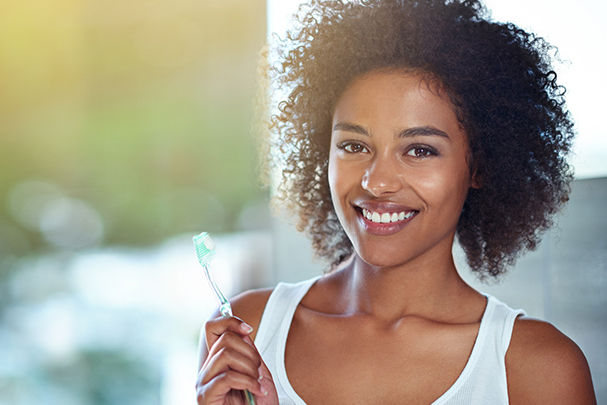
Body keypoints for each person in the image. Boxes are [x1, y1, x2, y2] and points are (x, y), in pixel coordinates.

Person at [196, 0, 597, 403]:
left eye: (420, 150)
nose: (377, 181)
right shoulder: (247, 333)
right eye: (354, 145)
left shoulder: (537, 369)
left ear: (480, 166)